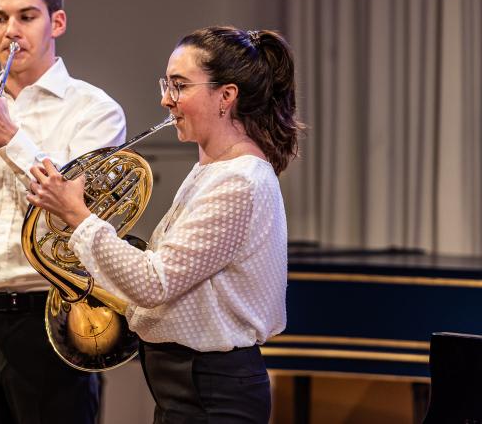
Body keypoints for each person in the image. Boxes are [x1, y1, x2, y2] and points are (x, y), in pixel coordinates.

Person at [27, 26, 303, 424]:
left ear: (226, 96)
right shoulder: (213, 169)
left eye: (180, 86)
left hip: (212, 390)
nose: (165, 99)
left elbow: (155, 284)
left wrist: (78, 216)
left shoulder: (240, 180)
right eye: (167, 84)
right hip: (188, 385)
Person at [0, 0, 126, 424]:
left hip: (51, 316)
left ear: (56, 22)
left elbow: (72, 209)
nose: (11, 32)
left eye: (26, 17)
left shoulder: (94, 110)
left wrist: (8, 136)